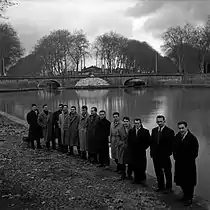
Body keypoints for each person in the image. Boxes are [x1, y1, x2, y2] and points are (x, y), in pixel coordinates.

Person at [173, 121, 199, 206]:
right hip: (179, 163)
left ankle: (189, 198)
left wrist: (187, 159)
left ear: (186, 128)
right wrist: (175, 157)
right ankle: (184, 195)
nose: (181, 130)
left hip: (188, 164)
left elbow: (195, 153)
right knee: (181, 181)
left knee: (189, 182)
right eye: (179, 128)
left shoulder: (192, 138)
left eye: (182, 128)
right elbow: (174, 148)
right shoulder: (177, 137)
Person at [150, 115, 175, 194]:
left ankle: (169, 188)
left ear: (164, 121)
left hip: (164, 156)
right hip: (155, 155)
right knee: (158, 172)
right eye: (158, 121)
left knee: (167, 172)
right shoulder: (154, 130)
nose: (159, 123)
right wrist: (152, 153)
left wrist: (168, 154)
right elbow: (152, 143)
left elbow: (171, 145)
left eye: (161, 121)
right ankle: (160, 186)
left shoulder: (170, 131)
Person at [127, 118, 150, 184]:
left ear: (140, 123)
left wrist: (143, 148)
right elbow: (129, 141)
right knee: (134, 165)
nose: (136, 125)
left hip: (141, 152)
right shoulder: (131, 131)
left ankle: (142, 179)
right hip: (133, 152)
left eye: (138, 123)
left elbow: (148, 142)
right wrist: (130, 149)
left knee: (142, 165)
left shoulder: (145, 131)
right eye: (135, 123)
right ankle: (136, 179)